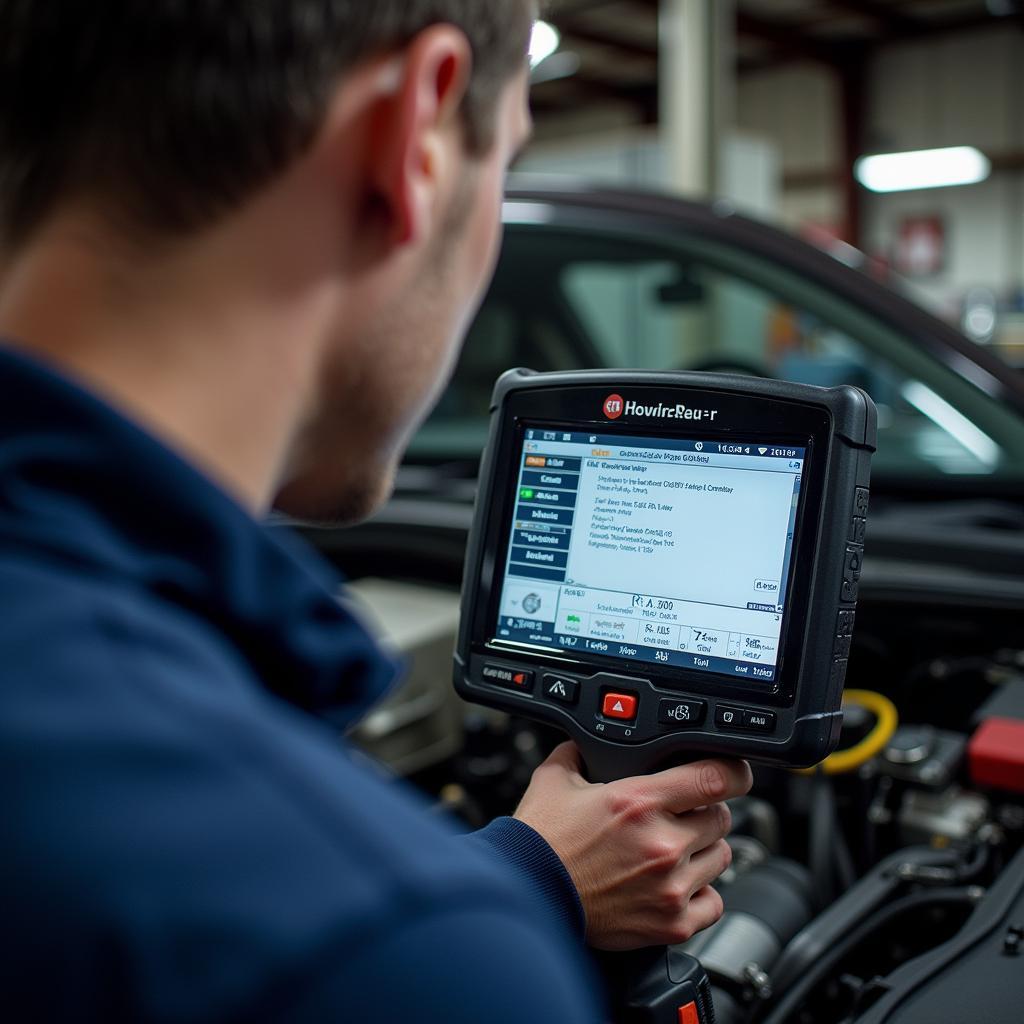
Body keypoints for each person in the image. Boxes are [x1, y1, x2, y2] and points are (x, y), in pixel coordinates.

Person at [0, 2, 752, 1020]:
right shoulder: (405, 962)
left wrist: (522, 875)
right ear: (418, 135)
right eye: (508, 161)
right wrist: (463, 923)